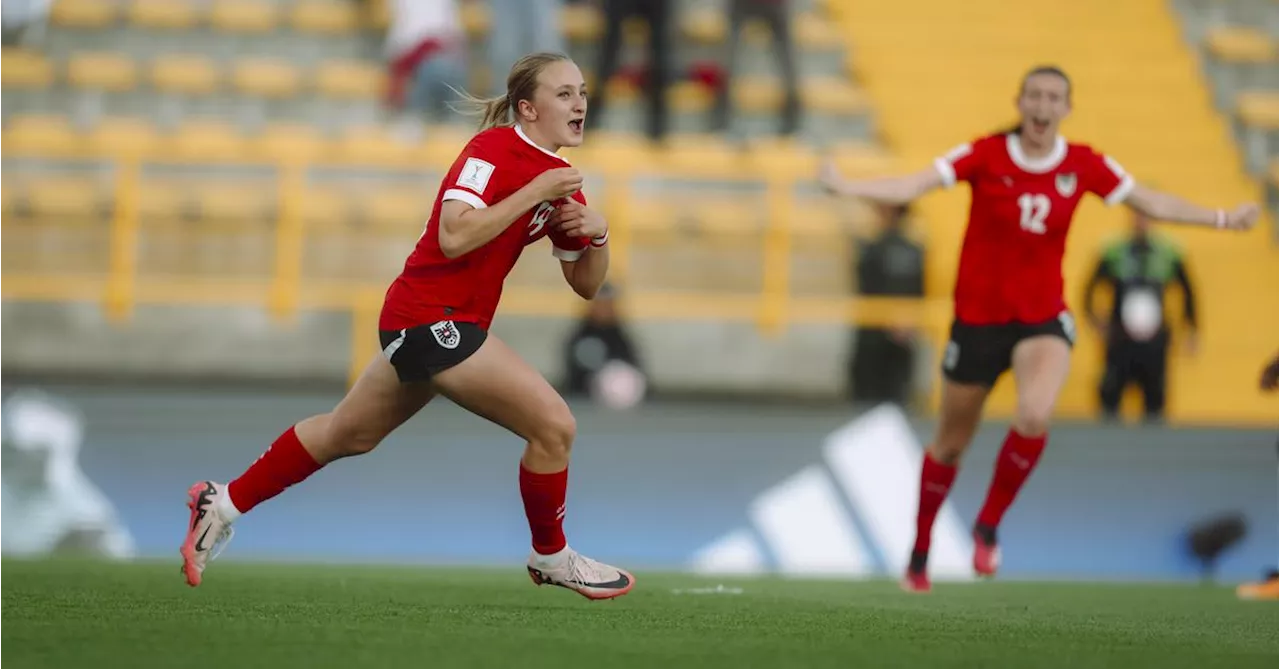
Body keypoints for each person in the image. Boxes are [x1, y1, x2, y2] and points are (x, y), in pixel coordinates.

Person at [180, 52, 636, 600]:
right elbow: (454, 236)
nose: (579, 102)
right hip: (429, 318)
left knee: (348, 433)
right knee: (554, 427)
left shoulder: (562, 184)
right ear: (527, 107)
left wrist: (599, 236)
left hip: (435, 322)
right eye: (563, 93)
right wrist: (534, 193)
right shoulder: (492, 150)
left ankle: (222, 502)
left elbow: (586, 286)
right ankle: (551, 555)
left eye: (582, 91)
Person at [820, 65, 1259, 593]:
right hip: (978, 321)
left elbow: (1149, 201)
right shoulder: (984, 154)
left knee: (1034, 413)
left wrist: (1220, 217)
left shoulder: (1083, 163)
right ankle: (919, 550)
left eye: (1054, 97)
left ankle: (987, 525)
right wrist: (847, 186)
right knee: (950, 444)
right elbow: (914, 183)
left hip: (1040, 318)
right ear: (1020, 101)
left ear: (1066, 109)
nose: (1043, 106)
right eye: (1035, 95)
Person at [1082, 210, 1199, 422]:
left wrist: (1191, 329)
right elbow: (1090, 289)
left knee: (1155, 400)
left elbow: (1188, 291)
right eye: (1137, 216)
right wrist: (1095, 321)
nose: (1141, 222)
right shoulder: (1114, 251)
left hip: (1155, 341)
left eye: (1146, 216)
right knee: (1110, 396)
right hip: (1119, 339)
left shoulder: (1169, 253)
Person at [848, 203, 925, 407]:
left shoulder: (872, 249)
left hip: (877, 334)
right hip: (892, 331)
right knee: (892, 400)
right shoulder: (914, 250)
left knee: (871, 400)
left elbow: (866, 286)